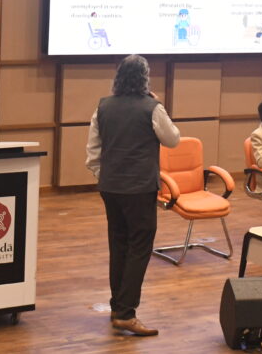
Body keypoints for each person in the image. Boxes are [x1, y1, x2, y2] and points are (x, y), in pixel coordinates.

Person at [85, 55, 180, 337]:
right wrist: (159, 105)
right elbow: (173, 139)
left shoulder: (102, 106)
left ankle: (118, 307)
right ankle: (126, 313)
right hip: (139, 189)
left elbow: (93, 151)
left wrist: (102, 176)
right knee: (139, 247)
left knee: (119, 244)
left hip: (110, 187)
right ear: (145, 78)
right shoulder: (152, 107)